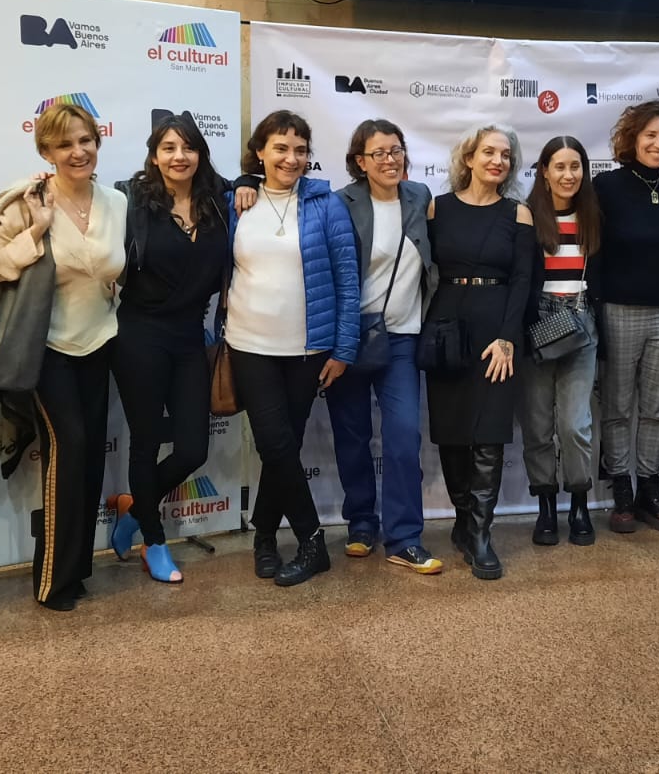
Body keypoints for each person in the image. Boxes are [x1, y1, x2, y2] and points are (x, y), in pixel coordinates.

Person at [0, 102, 126, 610]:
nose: (77, 151)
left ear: (98, 142)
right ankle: (52, 581)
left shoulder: (116, 202)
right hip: (47, 351)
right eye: (64, 144)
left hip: (100, 344)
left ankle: (77, 568)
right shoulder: (29, 202)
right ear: (46, 151)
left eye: (85, 140)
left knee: (89, 458)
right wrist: (36, 231)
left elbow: (114, 268)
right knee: (69, 449)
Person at [227, 110, 359, 587]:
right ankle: (312, 540)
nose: (291, 158)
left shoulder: (327, 204)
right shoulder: (236, 202)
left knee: (284, 446)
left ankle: (264, 536)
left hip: (308, 350)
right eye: (280, 148)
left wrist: (343, 349)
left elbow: (348, 280)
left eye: (300, 150)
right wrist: (242, 181)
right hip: (248, 344)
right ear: (260, 152)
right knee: (274, 442)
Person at [105, 112, 232, 583]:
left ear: (201, 153)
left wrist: (247, 184)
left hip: (190, 336)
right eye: (169, 148)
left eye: (189, 147)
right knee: (144, 442)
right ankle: (154, 542)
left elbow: (251, 182)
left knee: (193, 448)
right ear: (154, 156)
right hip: (139, 334)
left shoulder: (218, 201)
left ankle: (136, 507)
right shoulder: (132, 201)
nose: (180, 157)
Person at [326, 119, 442, 574]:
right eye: (379, 153)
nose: (390, 160)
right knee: (352, 435)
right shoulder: (341, 203)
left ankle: (404, 537)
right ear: (360, 161)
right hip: (350, 338)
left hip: (402, 339)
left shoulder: (420, 197)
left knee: (403, 436)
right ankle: (360, 522)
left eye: (396, 150)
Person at [426, 123, 535, 580]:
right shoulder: (437, 207)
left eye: (505, 155)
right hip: (446, 326)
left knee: (489, 432)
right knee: (452, 431)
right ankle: (462, 520)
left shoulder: (518, 213)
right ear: (469, 158)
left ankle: (481, 533)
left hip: (497, 330)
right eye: (489, 152)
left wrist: (508, 337)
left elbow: (524, 280)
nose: (498, 161)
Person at [592, 101, 659, 534]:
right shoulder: (606, 186)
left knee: (656, 409)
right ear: (632, 139)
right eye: (650, 135)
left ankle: (650, 488)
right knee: (616, 408)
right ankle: (622, 493)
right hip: (618, 311)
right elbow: (593, 253)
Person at [516, 135, 601, 547]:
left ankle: (579, 503)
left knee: (574, 424)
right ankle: (545, 506)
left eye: (575, 166)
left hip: (580, 321)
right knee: (536, 425)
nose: (568, 175)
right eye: (560, 167)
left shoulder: (594, 216)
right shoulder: (527, 215)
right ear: (544, 172)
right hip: (536, 322)